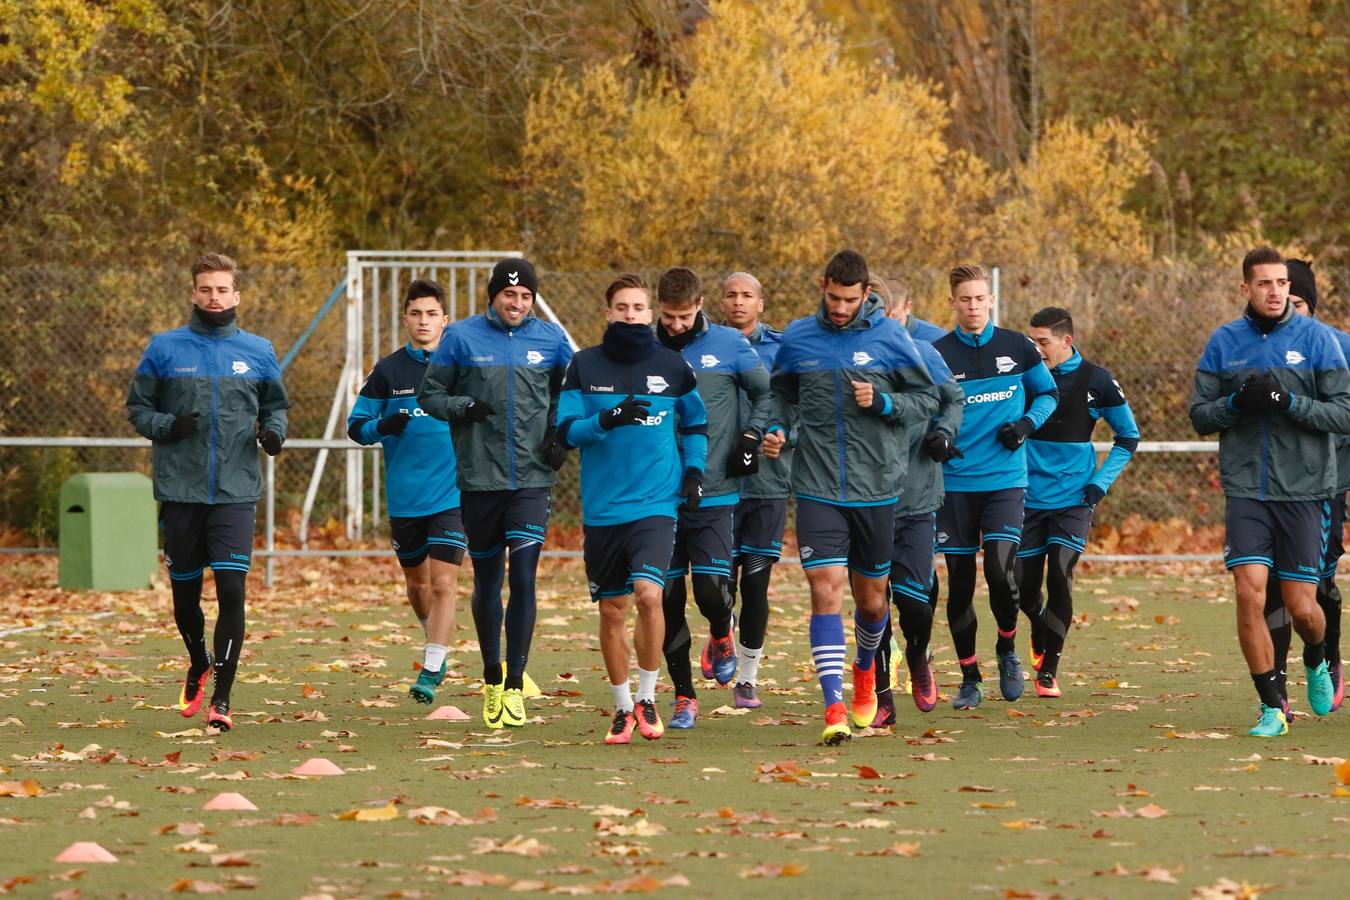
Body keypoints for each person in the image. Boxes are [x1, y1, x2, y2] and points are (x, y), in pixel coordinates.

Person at [769, 250, 938, 744]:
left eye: (849, 299)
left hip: (876, 487)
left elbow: (926, 400)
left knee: (871, 601)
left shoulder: (890, 337)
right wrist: (776, 426)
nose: (840, 308)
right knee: (825, 589)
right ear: (822, 286)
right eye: (832, 297)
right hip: (817, 486)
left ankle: (866, 667)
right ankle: (833, 706)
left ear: (867, 294)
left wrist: (884, 401)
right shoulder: (799, 336)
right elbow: (780, 394)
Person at [1190, 246, 1350, 737]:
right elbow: (1201, 415)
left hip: (1305, 490)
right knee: (1248, 594)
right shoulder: (1224, 343)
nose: (1276, 291)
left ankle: (1318, 659)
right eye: (1265, 283)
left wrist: (1288, 401)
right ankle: (1271, 707)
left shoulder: (1320, 341)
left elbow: (1343, 414)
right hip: (1246, 491)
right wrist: (1236, 402)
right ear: (1246, 288)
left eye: (1281, 283)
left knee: (1304, 608)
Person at [126, 252, 289, 732]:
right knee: (185, 599)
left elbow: (276, 408)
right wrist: (167, 425)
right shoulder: (165, 348)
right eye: (206, 289)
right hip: (180, 489)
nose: (214, 297)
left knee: (234, 589)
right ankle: (198, 661)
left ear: (236, 295)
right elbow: (138, 408)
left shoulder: (259, 350)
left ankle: (222, 697)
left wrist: (274, 434)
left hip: (236, 490)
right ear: (194, 293)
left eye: (222, 289)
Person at [419, 259, 574, 729]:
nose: (517, 303)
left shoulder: (550, 340)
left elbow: (569, 395)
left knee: (524, 578)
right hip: (479, 480)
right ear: (493, 296)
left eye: (525, 296)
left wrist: (559, 435)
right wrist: (462, 405)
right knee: (488, 582)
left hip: (531, 480)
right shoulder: (462, 338)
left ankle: (515, 686)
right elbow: (430, 396)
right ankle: (491, 678)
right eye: (510, 295)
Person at [557, 274, 708, 745]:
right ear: (608, 313)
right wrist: (605, 419)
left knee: (649, 595)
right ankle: (622, 707)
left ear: (650, 313)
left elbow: (697, 421)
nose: (630, 315)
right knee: (612, 610)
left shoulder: (673, 365)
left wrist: (694, 472)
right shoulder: (582, 366)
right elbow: (565, 431)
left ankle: (647, 697)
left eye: (638, 308)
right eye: (621, 307)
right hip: (603, 510)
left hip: (656, 504)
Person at [932, 264, 1059, 710]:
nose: (973, 306)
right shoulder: (937, 354)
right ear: (952, 302)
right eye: (964, 298)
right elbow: (925, 412)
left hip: (1005, 480)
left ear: (990, 300)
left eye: (979, 298)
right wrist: (938, 439)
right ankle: (969, 676)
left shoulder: (1017, 347)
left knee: (1002, 575)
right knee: (962, 585)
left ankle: (1007, 648)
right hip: (956, 485)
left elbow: (1048, 395)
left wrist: (1025, 425)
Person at [654, 267, 772, 729]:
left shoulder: (729, 345)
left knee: (709, 592)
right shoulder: (646, 347)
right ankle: (684, 696)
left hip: (716, 489)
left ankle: (722, 631)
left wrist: (751, 435)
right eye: (668, 316)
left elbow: (766, 395)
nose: (676, 325)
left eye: (684, 316)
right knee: (665, 597)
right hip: (658, 494)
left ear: (700, 304)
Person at [347, 280, 464, 706]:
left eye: (432, 313)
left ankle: (432, 666)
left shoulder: (460, 367)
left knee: (444, 583)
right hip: (405, 498)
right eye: (416, 313)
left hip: (453, 495)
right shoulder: (388, 371)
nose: (423, 321)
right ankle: (434, 635)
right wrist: (383, 426)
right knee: (417, 584)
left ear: (444, 320)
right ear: (405, 319)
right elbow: (356, 427)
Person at [1018, 307, 1139, 698]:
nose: (1036, 350)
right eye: (1031, 341)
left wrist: (1099, 484)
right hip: (1026, 497)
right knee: (1021, 586)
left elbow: (1128, 437)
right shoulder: (1024, 378)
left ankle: (1049, 669)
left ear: (1066, 341)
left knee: (1060, 576)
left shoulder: (1098, 381)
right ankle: (1038, 625)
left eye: (1043, 342)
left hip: (1073, 499)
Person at [871, 277, 963, 724]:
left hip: (916, 495)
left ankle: (919, 656)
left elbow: (954, 399)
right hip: (861, 500)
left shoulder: (923, 353)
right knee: (872, 602)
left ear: (899, 311)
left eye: (883, 309)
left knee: (913, 600)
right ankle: (881, 692)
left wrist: (943, 433)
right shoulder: (842, 359)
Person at [1258, 259, 1349, 713]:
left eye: (1295, 302)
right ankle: (1275, 690)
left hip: (1324, 486)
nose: (1285, 310)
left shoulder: (1338, 347)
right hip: (1268, 487)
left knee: (1318, 585)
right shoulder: (1251, 347)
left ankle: (1326, 654)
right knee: (1271, 584)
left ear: (1309, 305)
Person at [722, 272, 791, 710]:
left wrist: (783, 435)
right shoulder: (704, 347)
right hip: (718, 486)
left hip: (768, 483)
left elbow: (799, 405)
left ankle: (748, 678)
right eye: (731, 295)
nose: (739, 302)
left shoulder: (782, 350)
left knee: (757, 585)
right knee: (718, 585)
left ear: (761, 304)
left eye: (747, 295)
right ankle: (719, 636)